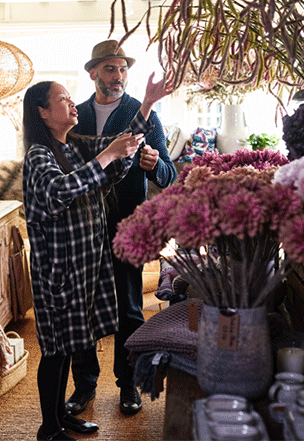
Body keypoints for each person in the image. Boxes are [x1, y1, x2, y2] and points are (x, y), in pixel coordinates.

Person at [22, 77, 173, 441]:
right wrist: (107, 156)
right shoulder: (38, 156)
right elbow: (60, 191)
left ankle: (61, 416)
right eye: (62, 99)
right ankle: (49, 429)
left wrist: (147, 105)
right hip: (58, 273)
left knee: (69, 345)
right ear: (43, 112)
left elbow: (119, 151)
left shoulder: (72, 147)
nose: (72, 103)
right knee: (54, 350)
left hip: (81, 270)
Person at [66, 40, 178, 417]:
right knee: (82, 306)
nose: (118, 76)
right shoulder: (75, 115)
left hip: (127, 224)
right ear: (93, 73)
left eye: (123, 69)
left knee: (129, 307)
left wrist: (155, 164)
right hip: (85, 224)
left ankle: (128, 384)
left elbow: (169, 175)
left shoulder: (142, 114)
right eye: (110, 69)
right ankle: (84, 386)